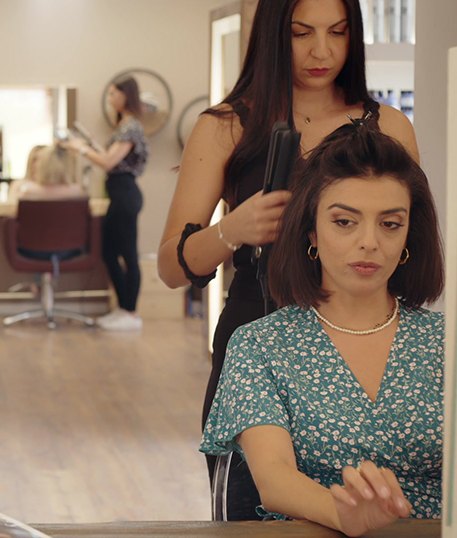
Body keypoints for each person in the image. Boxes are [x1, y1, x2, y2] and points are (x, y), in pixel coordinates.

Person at [156, 0, 419, 518]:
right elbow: (170, 266)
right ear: (275, 34)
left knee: (368, 502)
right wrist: (233, 230)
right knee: (259, 505)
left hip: (361, 342)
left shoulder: (387, 125)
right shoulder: (228, 126)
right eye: (302, 34)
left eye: (337, 32)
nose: (322, 52)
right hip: (259, 330)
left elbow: (411, 241)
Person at [200, 123, 444, 535]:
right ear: (311, 230)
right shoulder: (260, 345)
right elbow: (274, 479)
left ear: (408, 237)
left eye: (390, 224)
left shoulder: (445, 342)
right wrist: (345, 515)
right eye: (345, 222)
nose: (369, 242)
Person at [61, 76, 149, 331]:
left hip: (126, 194)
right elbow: (111, 158)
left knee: (128, 254)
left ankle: (131, 312)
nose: (110, 99)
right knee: (109, 252)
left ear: (125, 95)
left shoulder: (131, 126)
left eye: (112, 94)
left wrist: (81, 149)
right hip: (118, 194)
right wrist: (89, 146)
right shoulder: (124, 126)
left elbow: (109, 162)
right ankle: (122, 308)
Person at [7, 145, 86, 201]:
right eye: (35, 160)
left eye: (41, 161)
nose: (37, 165)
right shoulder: (75, 191)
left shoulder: (26, 191)